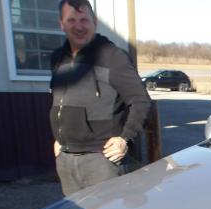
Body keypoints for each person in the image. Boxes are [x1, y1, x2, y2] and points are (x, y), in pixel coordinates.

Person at [50, 0, 150, 195]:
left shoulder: (111, 56)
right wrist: (58, 137)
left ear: (94, 22)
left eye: (84, 20)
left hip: (101, 160)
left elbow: (141, 99)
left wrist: (125, 138)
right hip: (66, 158)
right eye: (71, 20)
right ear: (61, 23)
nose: (79, 26)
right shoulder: (57, 58)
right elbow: (59, 99)